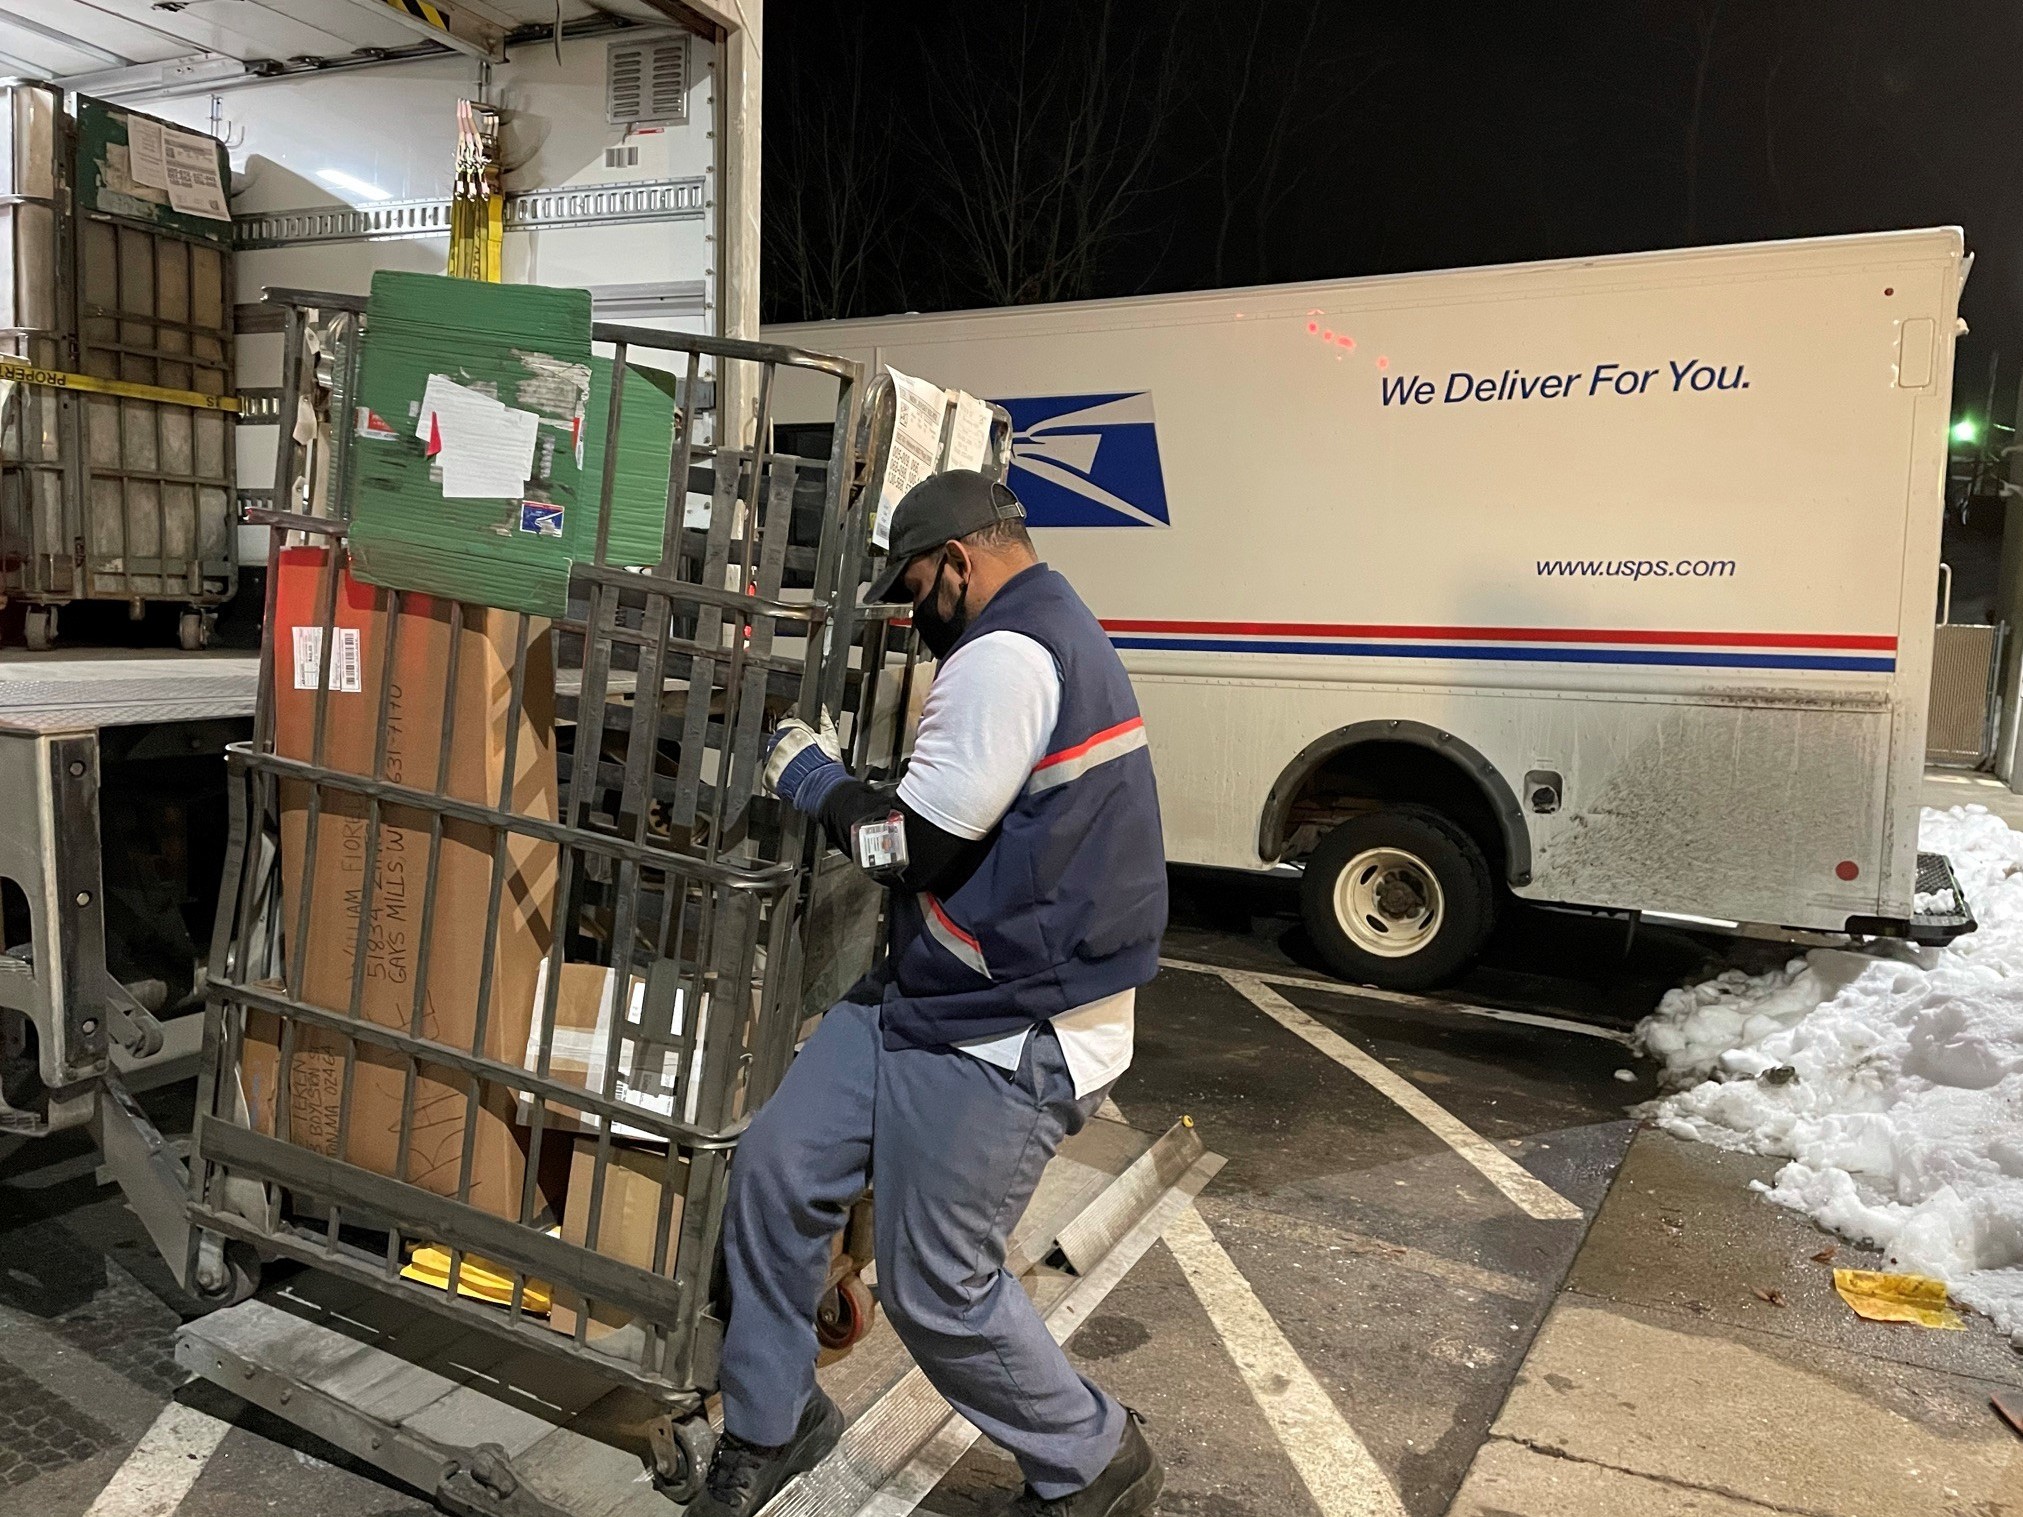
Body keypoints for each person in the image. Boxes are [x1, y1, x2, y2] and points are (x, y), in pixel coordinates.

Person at [691, 470, 1170, 1517]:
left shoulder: (1007, 653)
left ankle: (1093, 1459)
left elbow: (904, 847)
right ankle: (773, 1419)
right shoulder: (1048, 626)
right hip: (938, 986)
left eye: (915, 590)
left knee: (936, 1285)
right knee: (777, 1168)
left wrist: (814, 780)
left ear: (958, 562)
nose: (914, 619)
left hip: (1011, 1022)